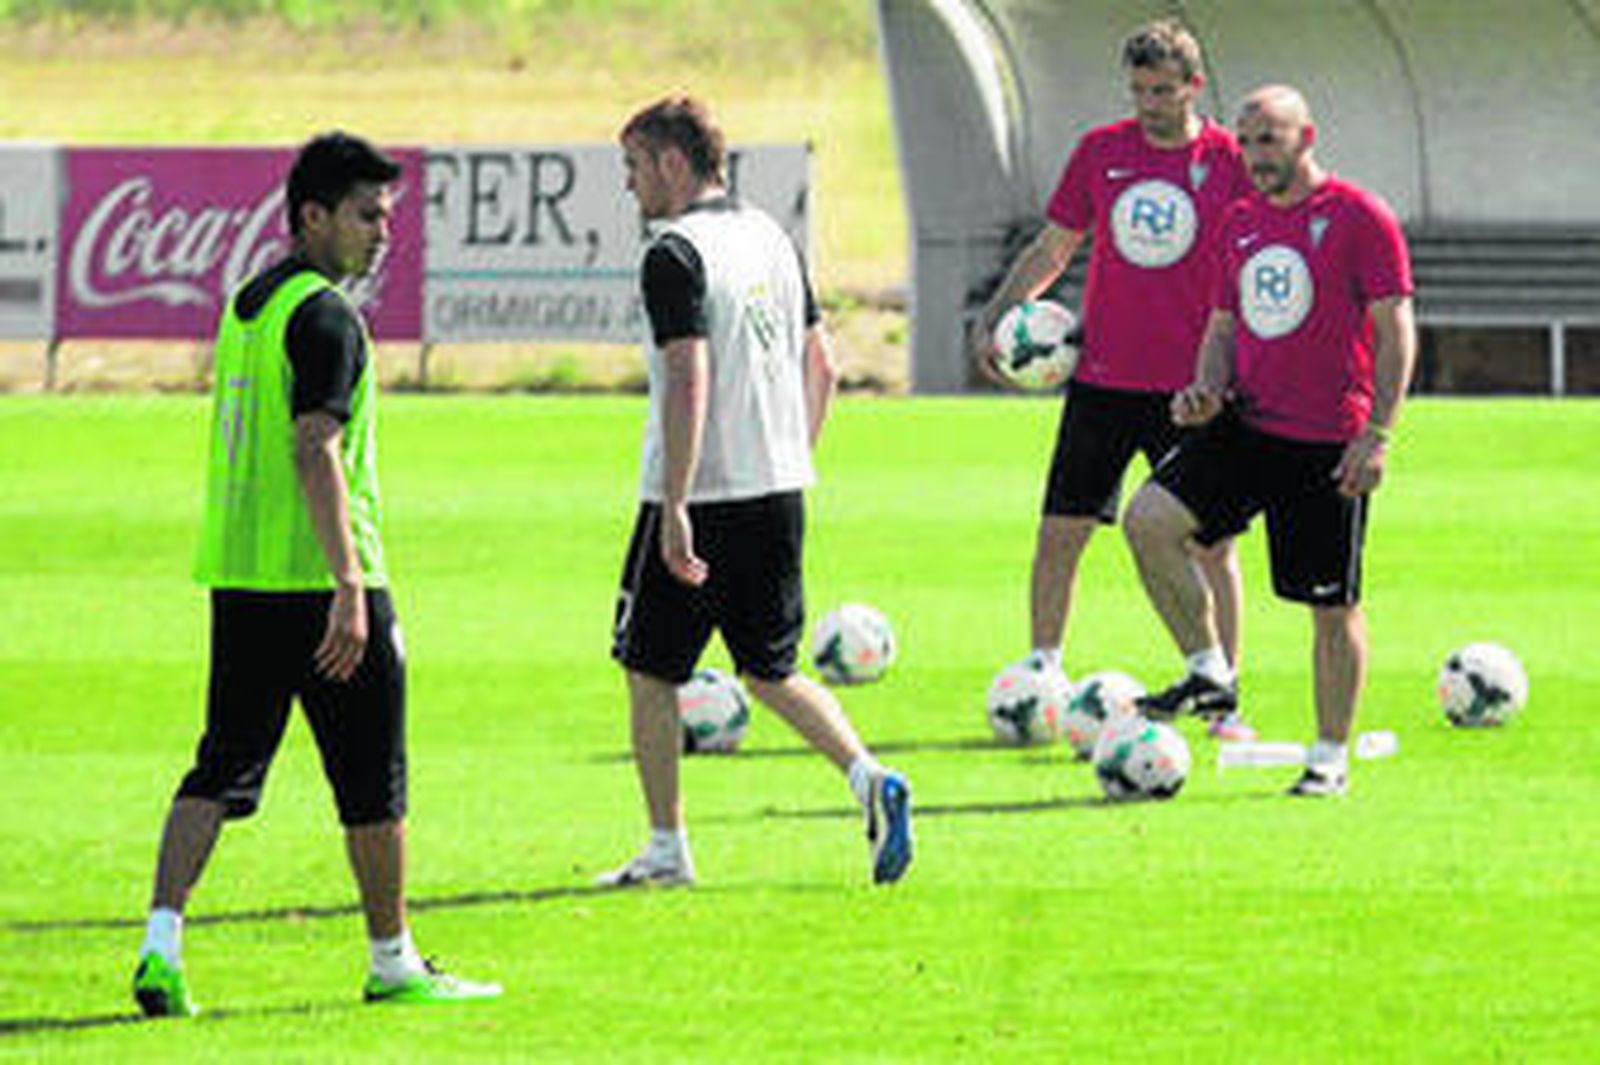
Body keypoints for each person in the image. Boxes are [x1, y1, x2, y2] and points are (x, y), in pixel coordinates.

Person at [132, 133, 501, 1017]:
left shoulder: (251, 303)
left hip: (243, 577)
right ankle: (393, 959)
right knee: (374, 778)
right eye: (366, 215)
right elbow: (314, 447)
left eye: (388, 215)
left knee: (219, 766)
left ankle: (160, 945)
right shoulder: (329, 317)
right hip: (328, 586)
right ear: (313, 216)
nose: (383, 234)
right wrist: (347, 585)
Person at [603, 96, 912, 888]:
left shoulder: (674, 252)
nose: (630, 185)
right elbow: (826, 366)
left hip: (700, 495)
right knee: (770, 668)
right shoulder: (769, 233)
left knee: (648, 669)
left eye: (635, 166)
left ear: (673, 163)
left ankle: (667, 848)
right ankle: (868, 776)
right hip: (777, 488)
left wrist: (675, 503)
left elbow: (688, 373)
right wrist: (787, 456)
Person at [1123, 85, 1417, 796]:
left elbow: (1395, 329)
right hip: (1247, 425)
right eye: (1248, 141)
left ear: (1305, 137)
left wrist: (1376, 435)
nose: (1255, 155)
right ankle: (1209, 668)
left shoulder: (1359, 216)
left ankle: (1328, 757)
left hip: (1327, 442)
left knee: (1330, 605)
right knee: (1148, 520)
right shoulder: (1240, 221)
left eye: (1270, 139)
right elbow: (1224, 326)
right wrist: (1203, 389)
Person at [968, 19, 1258, 740]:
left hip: (1192, 390)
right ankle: (1041, 674)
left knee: (1210, 545)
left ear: (1194, 86)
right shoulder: (1102, 152)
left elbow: (1256, 259)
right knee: (1061, 532)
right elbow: (1054, 245)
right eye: (1138, 90)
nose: (1149, 103)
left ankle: (1223, 697)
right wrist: (997, 314)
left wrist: (1236, 372)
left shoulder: (1229, 161)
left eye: (1162, 90)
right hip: (1101, 380)